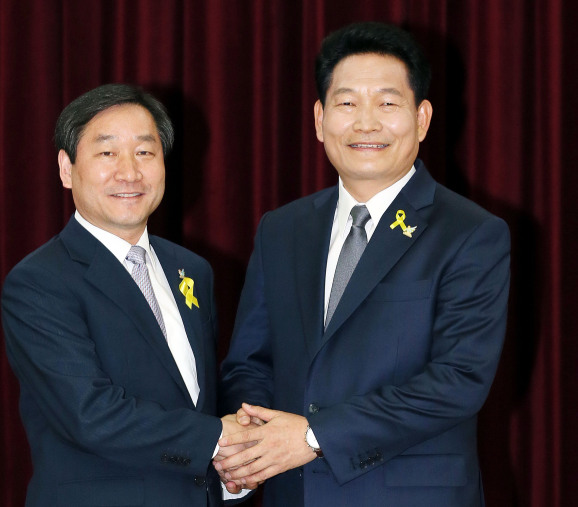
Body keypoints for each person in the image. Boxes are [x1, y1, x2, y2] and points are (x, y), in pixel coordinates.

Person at [216, 22, 510, 506]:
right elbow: (250, 362)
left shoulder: (470, 233)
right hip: (295, 493)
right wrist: (251, 446)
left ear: (422, 118)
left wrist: (313, 436)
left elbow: (457, 381)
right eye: (347, 103)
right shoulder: (282, 229)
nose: (366, 122)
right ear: (318, 118)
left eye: (388, 103)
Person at [2, 84, 248, 506]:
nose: (129, 172)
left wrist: (233, 472)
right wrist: (222, 438)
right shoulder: (39, 282)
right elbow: (91, 415)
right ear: (66, 168)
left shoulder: (193, 271)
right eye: (106, 153)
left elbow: (199, 402)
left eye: (145, 152)